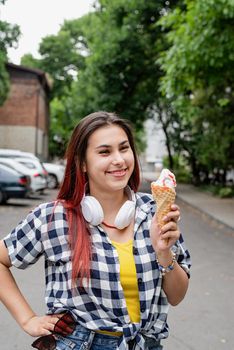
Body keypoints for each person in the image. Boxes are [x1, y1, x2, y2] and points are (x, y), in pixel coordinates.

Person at [0, 111, 191, 350]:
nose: (119, 159)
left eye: (124, 148)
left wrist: (164, 253)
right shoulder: (53, 218)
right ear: (82, 162)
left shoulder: (156, 212)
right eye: (104, 152)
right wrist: (27, 319)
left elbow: (176, 297)